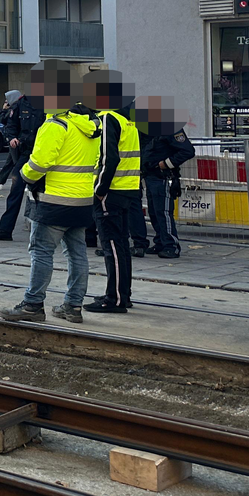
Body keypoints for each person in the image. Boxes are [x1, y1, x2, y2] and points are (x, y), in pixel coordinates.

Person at [0, 64, 100, 324]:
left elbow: (39, 163)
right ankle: (73, 306)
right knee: (77, 254)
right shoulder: (89, 125)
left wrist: (24, 175)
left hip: (53, 201)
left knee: (42, 251)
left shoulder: (55, 125)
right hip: (81, 201)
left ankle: (33, 305)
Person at [84, 71, 143, 314]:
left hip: (112, 191)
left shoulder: (108, 118)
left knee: (112, 246)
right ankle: (122, 294)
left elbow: (110, 158)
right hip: (128, 189)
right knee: (120, 245)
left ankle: (115, 299)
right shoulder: (128, 121)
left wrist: (99, 190)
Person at [0, 87, 45, 241]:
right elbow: (11, 124)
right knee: (15, 190)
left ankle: (49, 230)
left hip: (45, 154)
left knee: (45, 192)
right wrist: (12, 137)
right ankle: (5, 230)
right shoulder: (21, 103)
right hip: (26, 152)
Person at [139, 95, 195, 258]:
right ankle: (160, 242)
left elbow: (187, 151)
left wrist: (166, 163)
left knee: (163, 212)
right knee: (155, 212)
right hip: (150, 176)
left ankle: (171, 245)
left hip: (163, 176)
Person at [0, 90, 22, 188]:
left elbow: (4, 120)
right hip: (16, 138)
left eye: (7, 100)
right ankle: (0, 181)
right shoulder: (19, 108)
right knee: (11, 161)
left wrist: (4, 110)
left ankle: (23, 183)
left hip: (15, 139)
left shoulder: (14, 109)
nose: (6, 102)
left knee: (17, 162)